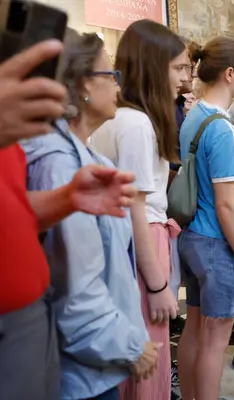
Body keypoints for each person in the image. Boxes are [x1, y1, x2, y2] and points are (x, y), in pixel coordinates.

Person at [22, 30, 156, 400]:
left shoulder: (85, 156)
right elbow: (74, 288)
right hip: (77, 374)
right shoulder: (58, 164)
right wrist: (129, 346)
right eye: (109, 75)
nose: (118, 87)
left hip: (92, 363)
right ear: (82, 83)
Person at [89, 19, 188, 400]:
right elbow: (138, 213)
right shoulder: (136, 124)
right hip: (141, 248)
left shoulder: (122, 118)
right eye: (178, 68)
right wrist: (159, 285)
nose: (183, 78)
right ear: (153, 65)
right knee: (148, 359)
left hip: (129, 249)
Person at [177, 36, 234, 400]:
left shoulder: (194, 115)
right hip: (216, 240)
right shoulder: (222, 128)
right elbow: (226, 204)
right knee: (216, 341)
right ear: (229, 74)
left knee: (195, 329)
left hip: (193, 234)